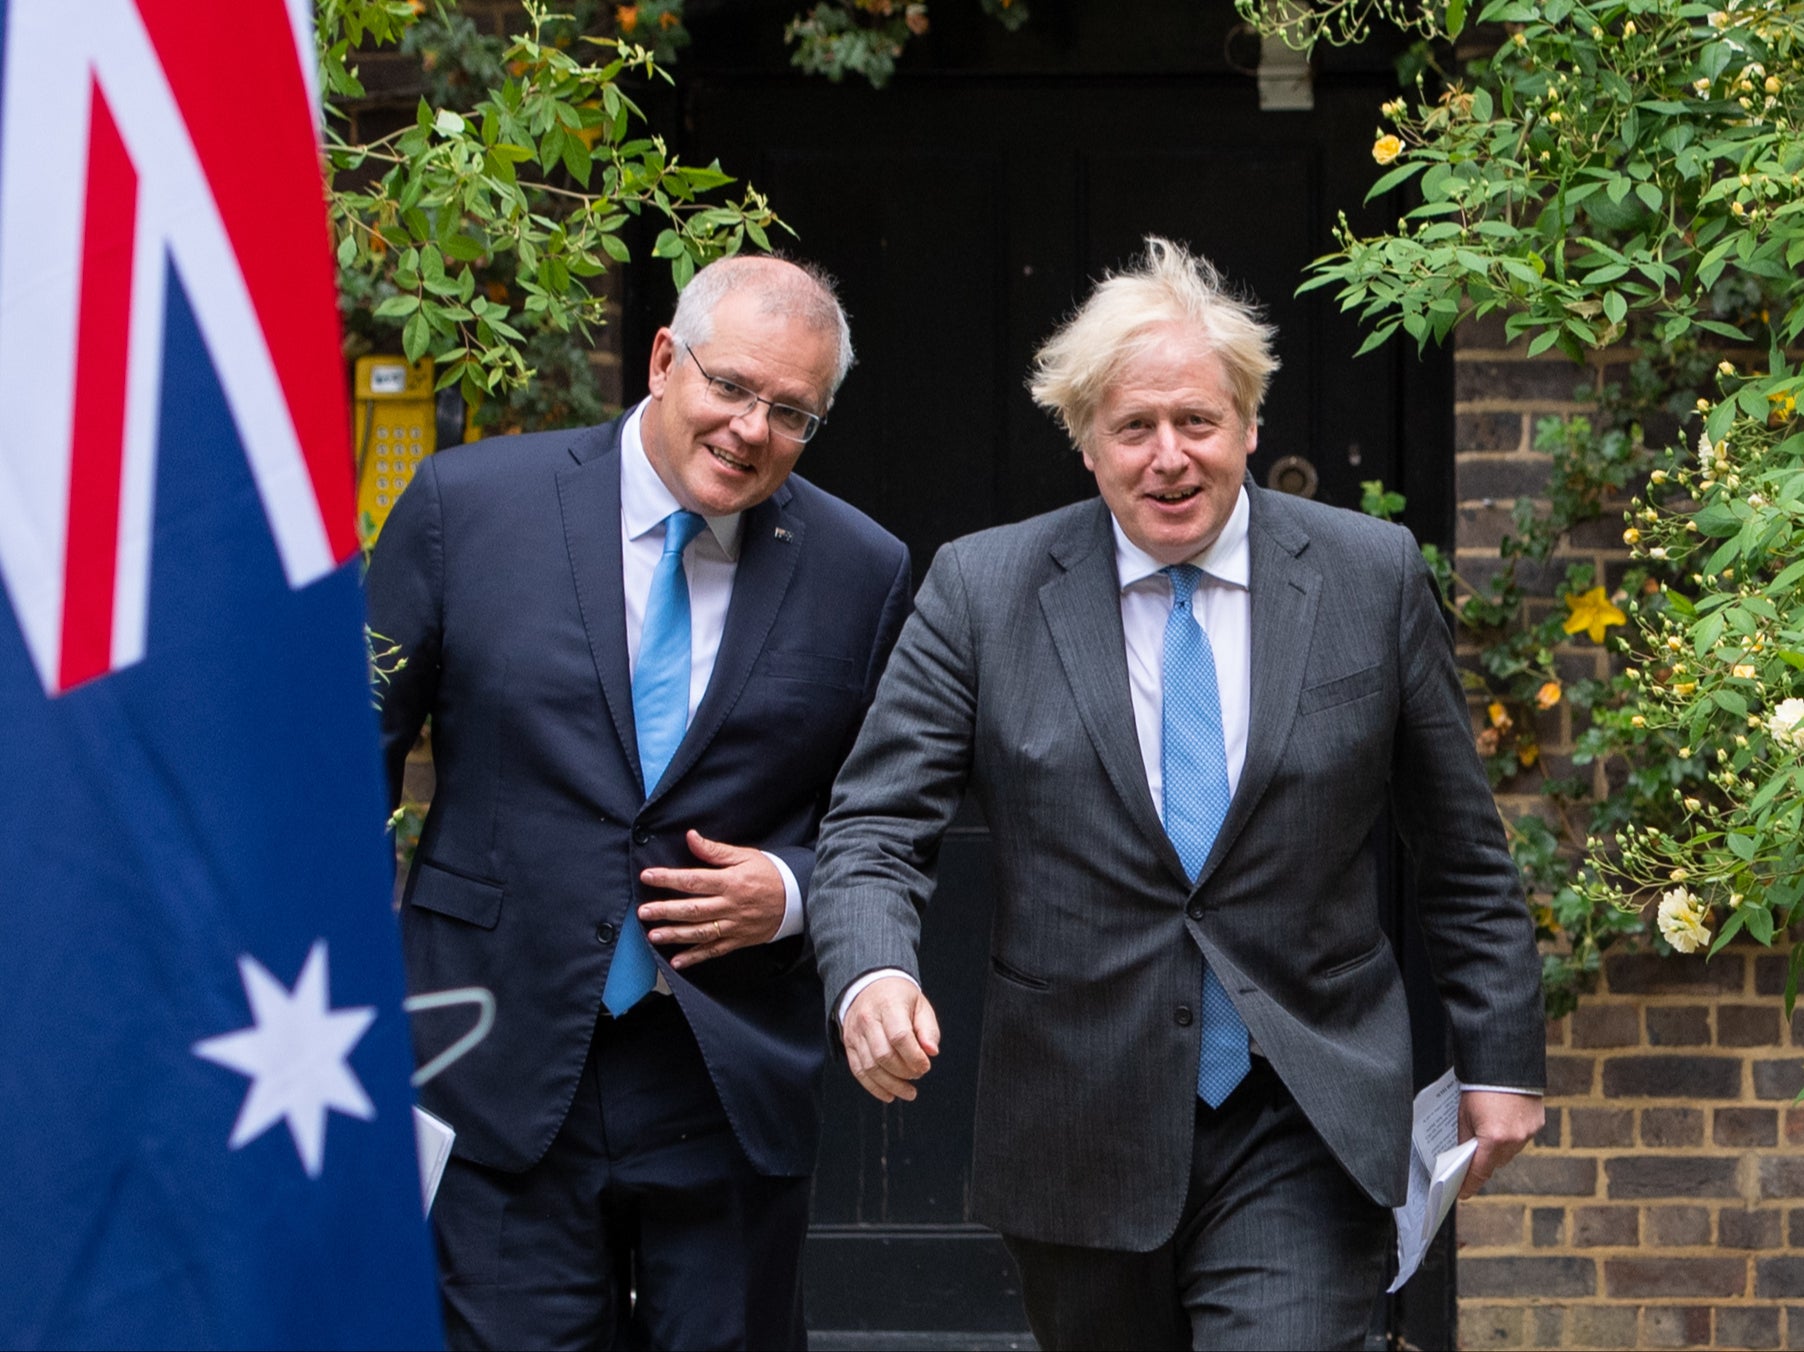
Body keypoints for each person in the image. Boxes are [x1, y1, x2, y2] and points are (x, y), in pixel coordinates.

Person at [806, 237, 1545, 1351]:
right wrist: (870, 969)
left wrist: (1498, 1058)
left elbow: (1460, 849)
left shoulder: (1368, 574)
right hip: (1075, 1113)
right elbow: (872, 823)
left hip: (1302, 1100)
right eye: (1133, 427)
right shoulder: (984, 587)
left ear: (1248, 422)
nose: (1169, 457)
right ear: (1085, 441)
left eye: (1197, 422)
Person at [365, 254, 912, 1350]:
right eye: (733, 388)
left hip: (723, 1074)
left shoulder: (862, 566)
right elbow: (340, 763)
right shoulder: (467, 507)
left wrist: (794, 889)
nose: (752, 430)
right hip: (493, 1052)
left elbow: (883, 814)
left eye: (792, 412)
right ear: (665, 359)